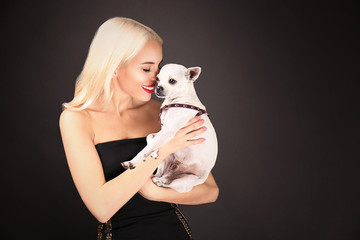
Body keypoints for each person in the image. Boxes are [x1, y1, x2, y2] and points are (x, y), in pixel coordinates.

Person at [59, 17, 219, 240]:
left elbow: (210, 190)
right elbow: (102, 209)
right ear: (113, 66)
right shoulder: (76, 119)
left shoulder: (164, 112)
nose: (157, 78)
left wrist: (155, 193)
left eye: (159, 67)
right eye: (146, 68)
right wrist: (161, 151)